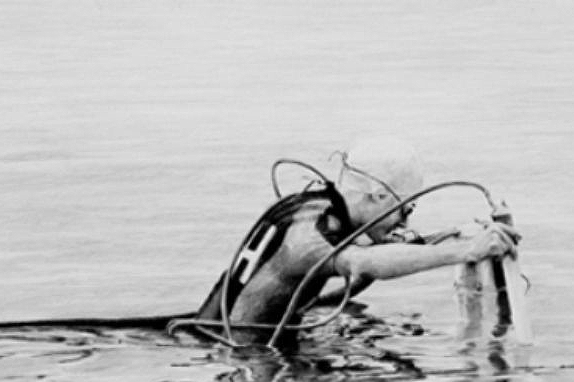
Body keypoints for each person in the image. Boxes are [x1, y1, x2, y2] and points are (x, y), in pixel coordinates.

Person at [175, 136, 520, 349]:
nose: (405, 222)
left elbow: (367, 260)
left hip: (235, 336)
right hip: (237, 351)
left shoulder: (313, 207)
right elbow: (364, 264)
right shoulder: (309, 236)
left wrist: (450, 236)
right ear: (379, 194)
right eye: (405, 209)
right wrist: (466, 251)